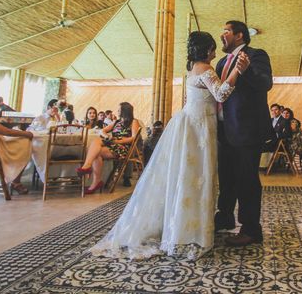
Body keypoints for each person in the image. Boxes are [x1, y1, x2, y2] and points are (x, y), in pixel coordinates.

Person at [90, 31, 242, 260]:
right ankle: (190, 232)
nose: (214, 52)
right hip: (198, 129)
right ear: (203, 50)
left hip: (192, 124)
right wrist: (238, 71)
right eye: (211, 48)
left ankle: (182, 226)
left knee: (186, 176)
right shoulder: (205, 68)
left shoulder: (192, 68)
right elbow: (222, 94)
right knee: (196, 177)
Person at [214, 20, 273, 247]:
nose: (222, 34)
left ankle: (251, 229)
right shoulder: (221, 62)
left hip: (247, 129)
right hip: (223, 130)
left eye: (226, 30)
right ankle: (225, 216)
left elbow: (265, 84)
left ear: (239, 35)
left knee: (246, 179)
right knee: (226, 177)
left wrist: (245, 71)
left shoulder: (257, 55)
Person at [78, 102, 141, 192]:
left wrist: (119, 141)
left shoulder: (133, 121)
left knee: (96, 152)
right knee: (96, 143)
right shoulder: (117, 121)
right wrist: (106, 136)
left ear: (125, 111)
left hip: (123, 148)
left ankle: (93, 177)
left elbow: (134, 138)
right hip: (113, 143)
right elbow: (102, 130)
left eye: (119, 110)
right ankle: (89, 169)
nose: (118, 111)